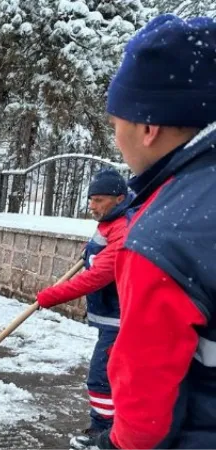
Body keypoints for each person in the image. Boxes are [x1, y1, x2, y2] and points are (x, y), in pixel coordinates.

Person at [92, 14, 216, 450]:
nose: (116, 136)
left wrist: (118, 443)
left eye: (115, 124)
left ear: (148, 128)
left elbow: (144, 417)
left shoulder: (161, 236)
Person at [34, 169, 131, 450]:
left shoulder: (123, 230)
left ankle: (103, 433)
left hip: (120, 320)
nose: (92, 206)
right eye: (91, 199)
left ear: (119, 198)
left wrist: (49, 296)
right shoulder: (110, 221)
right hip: (111, 318)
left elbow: (95, 277)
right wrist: (88, 252)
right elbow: (97, 250)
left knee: (101, 378)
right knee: (111, 377)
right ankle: (113, 431)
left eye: (98, 199)